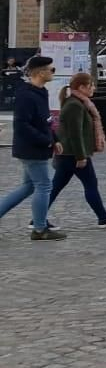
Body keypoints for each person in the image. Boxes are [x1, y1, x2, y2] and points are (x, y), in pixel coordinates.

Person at [45, 72, 106, 228]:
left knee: (56, 187)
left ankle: (37, 218)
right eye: (91, 85)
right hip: (72, 154)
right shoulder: (75, 105)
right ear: (81, 87)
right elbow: (75, 133)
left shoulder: (78, 102)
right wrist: (81, 156)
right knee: (90, 183)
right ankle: (103, 217)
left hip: (67, 154)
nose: (93, 88)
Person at [0, 55, 61, 239]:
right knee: (44, 185)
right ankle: (40, 229)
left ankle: (40, 227)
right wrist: (46, 140)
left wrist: (55, 139)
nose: (53, 73)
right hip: (32, 149)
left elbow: (46, 120)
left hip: (37, 146)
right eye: (51, 70)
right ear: (40, 72)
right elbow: (22, 125)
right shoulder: (26, 95)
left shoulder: (41, 92)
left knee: (28, 186)